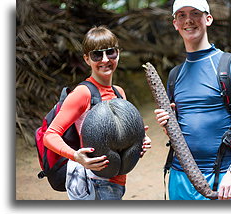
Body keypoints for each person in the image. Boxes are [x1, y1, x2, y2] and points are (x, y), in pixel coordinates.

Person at [154, 0, 231, 200]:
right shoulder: (175, 75)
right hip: (180, 177)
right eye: (182, 15)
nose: (189, 20)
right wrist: (167, 124)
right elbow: (180, 130)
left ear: (208, 19)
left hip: (222, 177)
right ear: (175, 24)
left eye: (195, 13)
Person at [43, 25, 151, 200]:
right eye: (96, 54)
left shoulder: (119, 92)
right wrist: (76, 156)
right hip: (93, 182)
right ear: (87, 59)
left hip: (117, 180)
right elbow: (50, 135)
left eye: (111, 52)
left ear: (118, 53)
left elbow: (118, 137)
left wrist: (139, 141)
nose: (105, 59)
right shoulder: (83, 93)